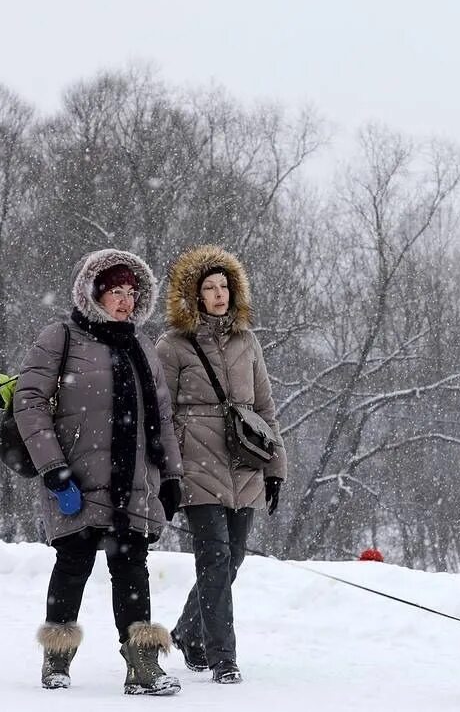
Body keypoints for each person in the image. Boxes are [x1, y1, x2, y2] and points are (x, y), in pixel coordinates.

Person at [14, 249, 184, 695]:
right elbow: (29, 403)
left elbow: (162, 416)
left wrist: (171, 475)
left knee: (133, 567)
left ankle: (142, 666)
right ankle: (57, 659)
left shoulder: (142, 346)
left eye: (131, 293)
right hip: (75, 477)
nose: (125, 302)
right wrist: (53, 468)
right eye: (115, 292)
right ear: (93, 294)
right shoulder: (61, 337)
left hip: (134, 483)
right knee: (73, 564)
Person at [157, 245, 288, 685]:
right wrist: (169, 468)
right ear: (193, 295)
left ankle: (189, 632)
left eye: (224, 287)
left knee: (232, 560)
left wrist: (275, 468)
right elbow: (160, 411)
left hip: (245, 462)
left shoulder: (247, 342)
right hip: (196, 464)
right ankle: (223, 658)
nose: (219, 294)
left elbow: (265, 408)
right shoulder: (173, 345)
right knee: (213, 559)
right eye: (209, 287)